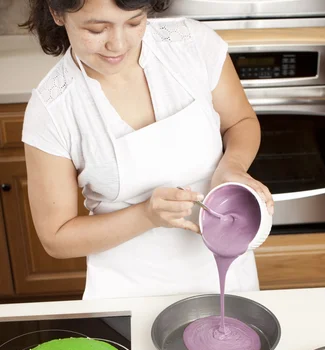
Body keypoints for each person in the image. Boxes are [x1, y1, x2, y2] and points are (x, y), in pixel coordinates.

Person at [22, 0, 274, 299]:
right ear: (57, 13)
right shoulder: (52, 110)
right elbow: (56, 238)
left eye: (134, 22)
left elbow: (241, 121)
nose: (117, 44)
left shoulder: (192, 45)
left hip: (229, 272)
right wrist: (147, 215)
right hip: (129, 291)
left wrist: (231, 166)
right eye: (97, 29)